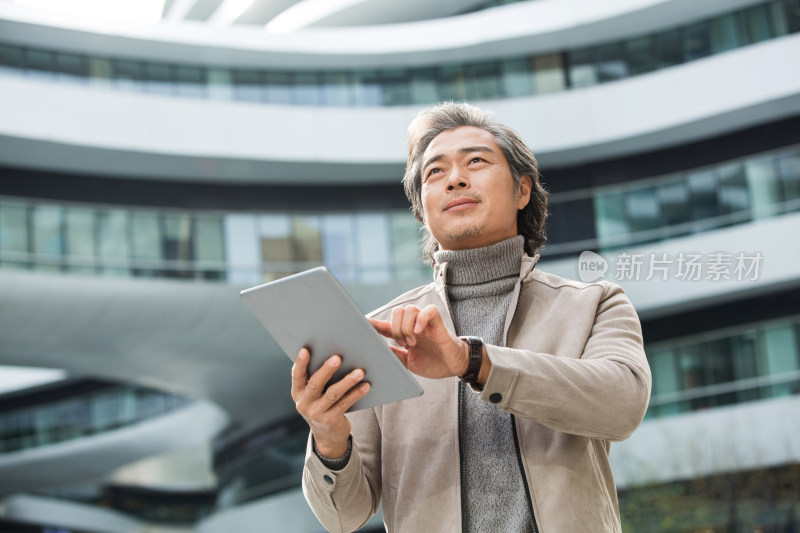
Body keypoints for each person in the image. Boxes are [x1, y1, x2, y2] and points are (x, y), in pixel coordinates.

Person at [290, 102, 651, 533]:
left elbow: (622, 405)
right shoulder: (380, 333)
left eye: (476, 161)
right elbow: (343, 516)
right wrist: (329, 438)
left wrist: (471, 362)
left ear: (522, 191)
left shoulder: (594, 304)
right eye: (435, 172)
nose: (455, 179)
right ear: (422, 210)